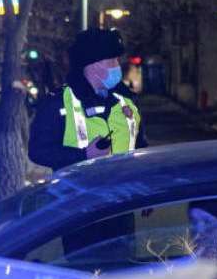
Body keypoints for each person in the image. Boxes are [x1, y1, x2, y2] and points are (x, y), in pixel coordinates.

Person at [29, 28, 142, 171]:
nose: (117, 66)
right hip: (79, 185)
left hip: (124, 185)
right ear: (93, 66)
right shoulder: (57, 104)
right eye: (112, 61)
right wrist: (83, 155)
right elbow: (38, 152)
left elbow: (141, 148)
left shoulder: (127, 102)